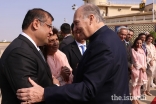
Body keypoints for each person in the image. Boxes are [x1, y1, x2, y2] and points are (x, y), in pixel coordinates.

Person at [17, 4, 131, 104]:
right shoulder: (110, 38)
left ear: (91, 18)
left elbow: (88, 89)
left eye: (76, 23)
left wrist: (45, 93)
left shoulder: (102, 44)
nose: (74, 29)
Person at [0, 8, 56, 104]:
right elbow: (31, 96)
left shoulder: (30, 48)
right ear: (36, 24)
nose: (51, 31)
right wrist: (56, 88)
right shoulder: (20, 52)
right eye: (49, 26)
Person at [131, 37, 148, 104]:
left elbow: (144, 60)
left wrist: (145, 67)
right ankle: (133, 99)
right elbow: (135, 61)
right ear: (135, 42)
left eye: (140, 43)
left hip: (143, 70)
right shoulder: (133, 50)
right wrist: (141, 67)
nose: (139, 44)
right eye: (137, 43)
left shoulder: (142, 50)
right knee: (134, 85)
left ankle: (137, 98)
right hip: (136, 70)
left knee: (139, 85)